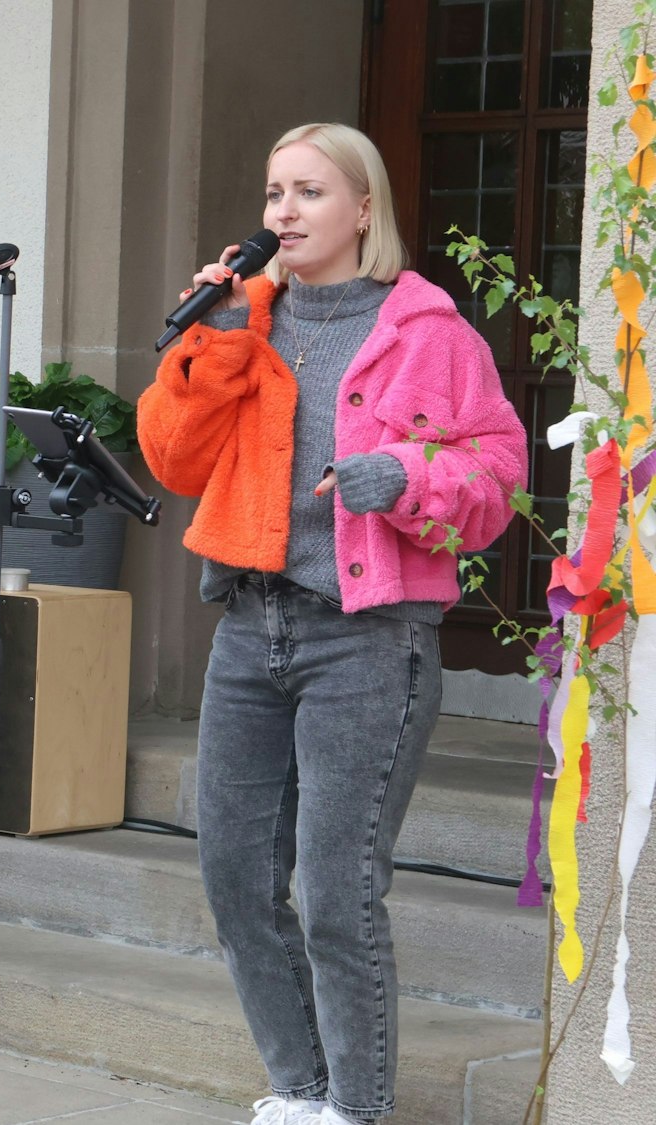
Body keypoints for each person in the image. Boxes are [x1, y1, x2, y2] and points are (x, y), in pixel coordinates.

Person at [137, 123, 527, 1124]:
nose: (281, 214)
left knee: (334, 893)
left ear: (363, 209)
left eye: (307, 193)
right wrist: (213, 338)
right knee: (231, 876)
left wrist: (398, 475)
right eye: (273, 193)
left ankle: (353, 1107)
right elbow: (173, 460)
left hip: (367, 639)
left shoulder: (426, 332)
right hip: (247, 628)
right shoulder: (240, 318)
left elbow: (494, 479)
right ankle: (299, 1087)